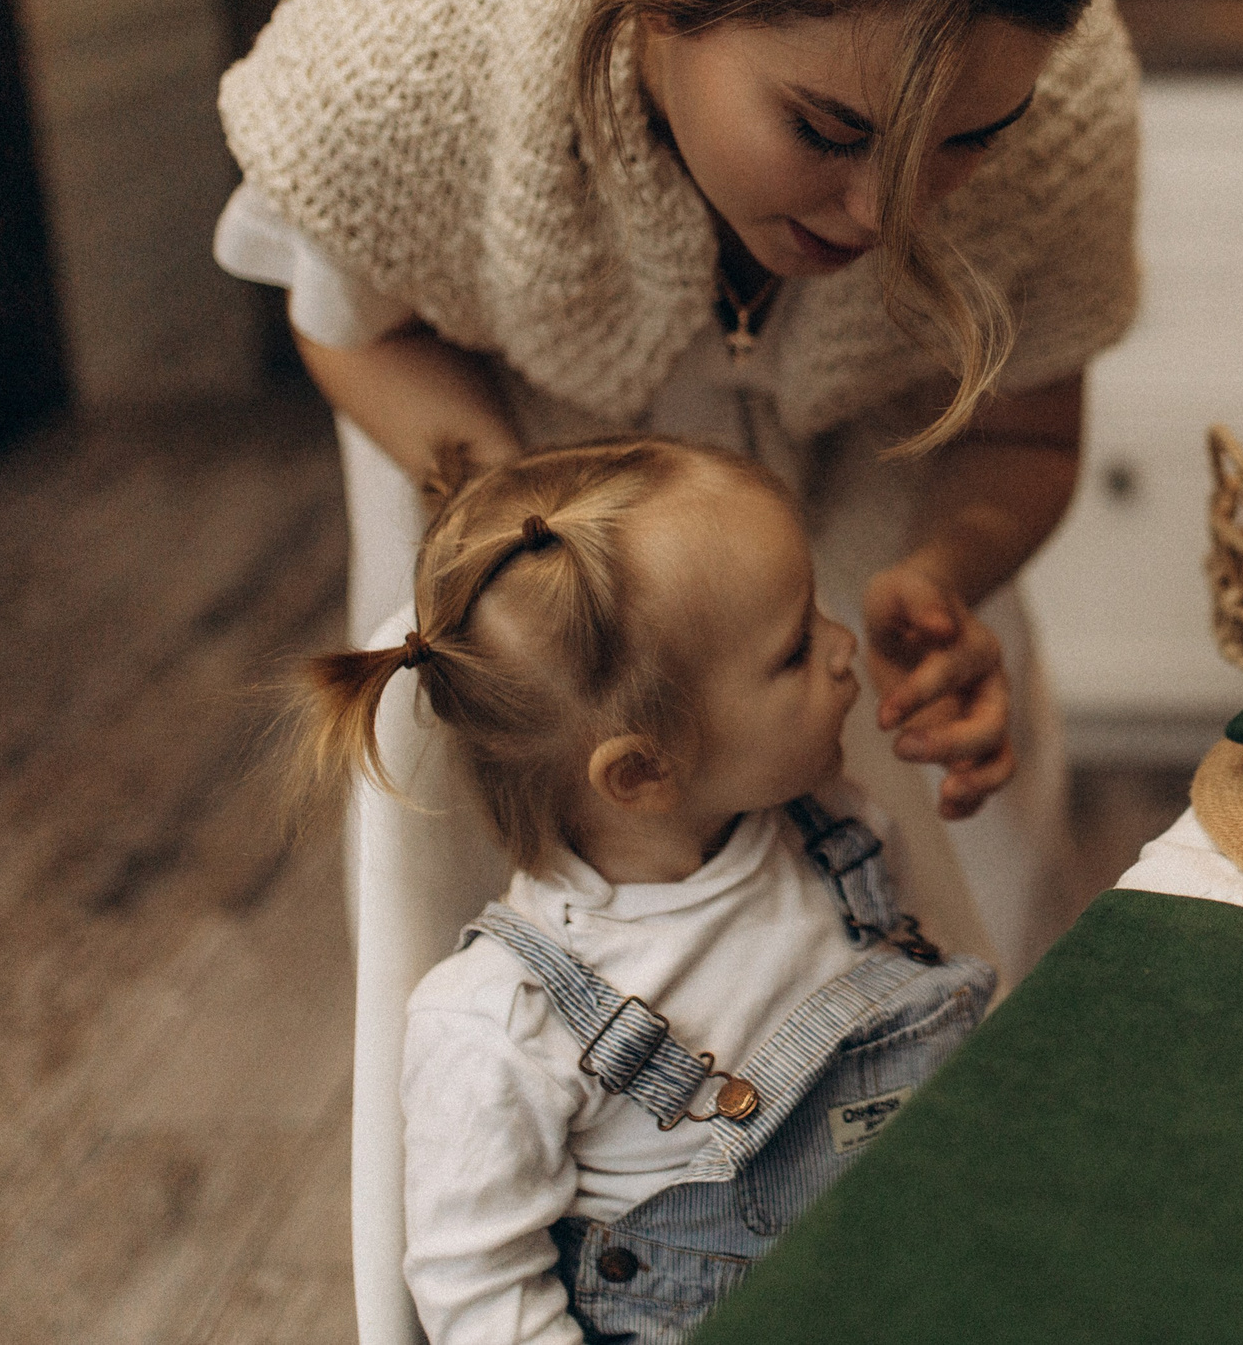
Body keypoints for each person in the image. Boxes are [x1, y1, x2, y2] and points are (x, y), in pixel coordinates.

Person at [212, 0, 1136, 975]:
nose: (888, 213)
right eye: (828, 125)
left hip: (858, 523)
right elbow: (354, 320)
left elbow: (1027, 435)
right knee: (513, 974)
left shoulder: (1069, 97)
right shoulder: (416, 33)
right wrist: (545, 549)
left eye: (966, 140)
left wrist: (937, 579)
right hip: (529, 508)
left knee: (952, 932)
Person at [292, 435, 997, 1345]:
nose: (842, 645)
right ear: (642, 772)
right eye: (793, 650)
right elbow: (480, 1291)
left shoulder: (835, 836)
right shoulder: (505, 1022)